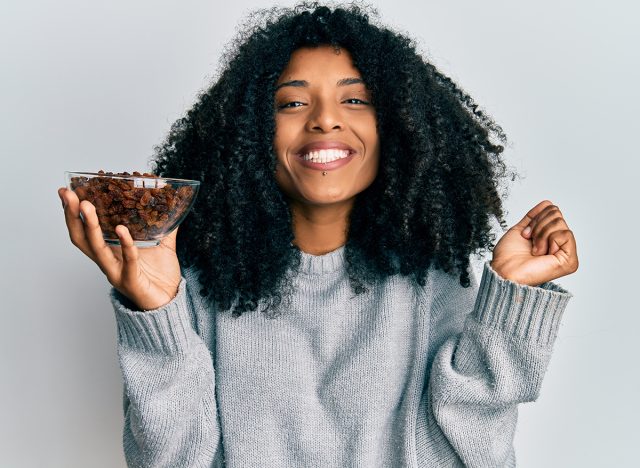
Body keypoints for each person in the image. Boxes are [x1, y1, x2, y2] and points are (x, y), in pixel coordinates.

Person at [58, 3, 579, 467]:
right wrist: (157, 315)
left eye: (355, 101)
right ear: (250, 132)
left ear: (397, 126)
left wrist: (507, 305)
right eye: (291, 103)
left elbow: (469, 459)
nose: (325, 120)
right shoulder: (190, 285)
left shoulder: (437, 286)